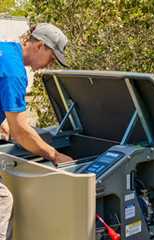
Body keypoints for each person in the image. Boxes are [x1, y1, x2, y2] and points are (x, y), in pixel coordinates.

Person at [0, 23, 73, 240]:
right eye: (52, 57)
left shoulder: (4, 50)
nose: (50, 64)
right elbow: (21, 132)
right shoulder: (14, 72)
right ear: (40, 45)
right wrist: (54, 154)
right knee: (2, 201)